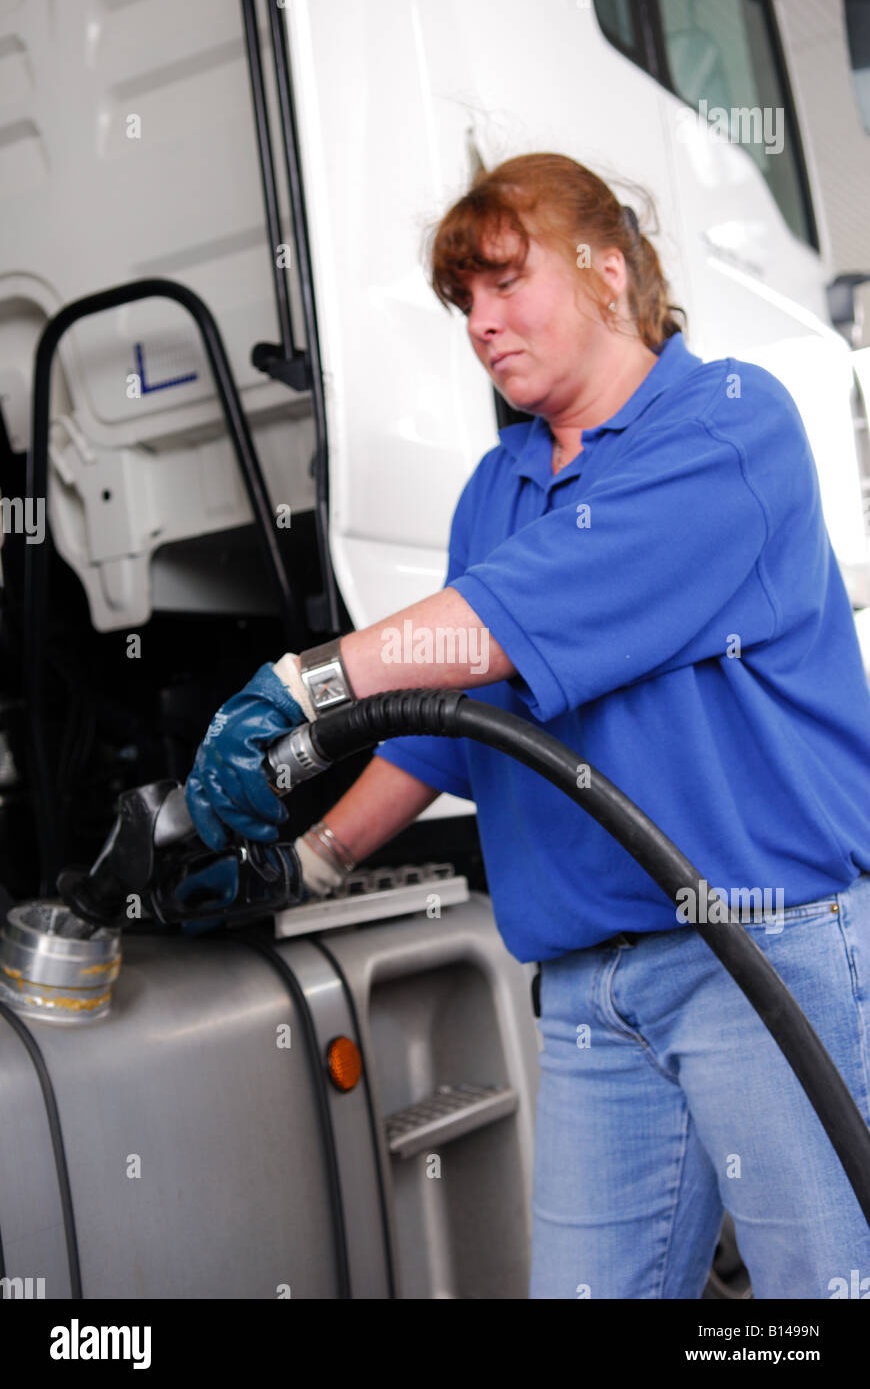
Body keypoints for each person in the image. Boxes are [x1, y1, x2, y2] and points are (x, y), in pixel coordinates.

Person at [184, 153, 870, 1299]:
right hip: (590, 984)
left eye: (506, 283)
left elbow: (506, 621)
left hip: (758, 952)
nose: (482, 325)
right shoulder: (495, 489)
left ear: (609, 272)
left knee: (819, 1296)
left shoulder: (729, 429)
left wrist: (299, 687)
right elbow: (449, 724)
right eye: (464, 302)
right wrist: (312, 860)